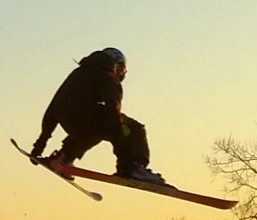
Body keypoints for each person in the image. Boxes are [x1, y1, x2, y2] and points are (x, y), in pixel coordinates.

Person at [29, 47, 167, 185]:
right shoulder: (109, 78)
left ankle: (64, 157)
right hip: (88, 119)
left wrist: (40, 145)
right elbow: (113, 115)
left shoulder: (77, 74)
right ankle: (137, 168)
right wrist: (124, 162)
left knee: (92, 130)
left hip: (71, 122)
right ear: (118, 67)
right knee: (134, 128)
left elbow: (54, 107)